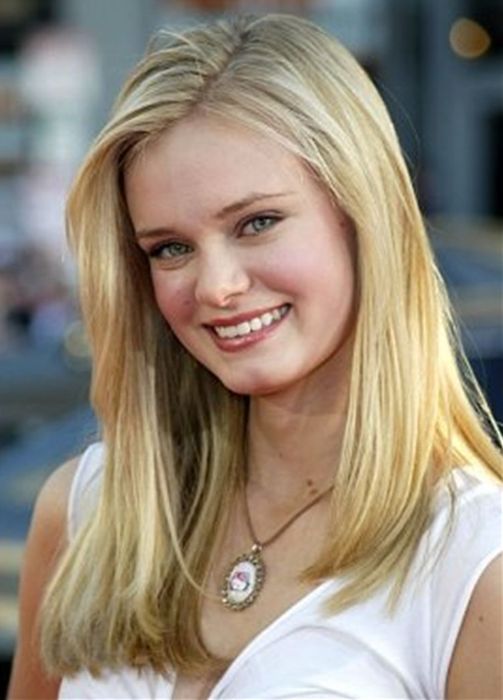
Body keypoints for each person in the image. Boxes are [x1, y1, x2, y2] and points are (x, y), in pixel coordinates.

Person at [8, 13, 502, 700]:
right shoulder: (84, 512)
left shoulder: (474, 563)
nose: (215, 287)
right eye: (170, 248)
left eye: (257, 223)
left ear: (364, 216)